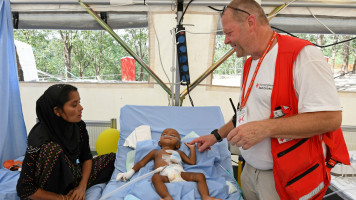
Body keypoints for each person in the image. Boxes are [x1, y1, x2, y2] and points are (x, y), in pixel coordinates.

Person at [189, 0, 350, 199]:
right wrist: (215, 136)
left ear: (250, 22)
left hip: (288, 180)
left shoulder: (303, 56)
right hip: (251, 173)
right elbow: (245, 112)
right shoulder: (250, 63)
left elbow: (330, 119)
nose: (226, 41)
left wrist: (264, 128)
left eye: (229, 33)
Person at [17, 84, 116, 200]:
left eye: (79, 102)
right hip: (48, 186)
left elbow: (86, 157)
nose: (81, 108)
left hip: (70, 175)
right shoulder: (38, 136)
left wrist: (81, 187)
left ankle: (72, 189)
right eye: (74, 105)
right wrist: (63, 198)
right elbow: (25, 188)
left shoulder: (78, 126)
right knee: (53, 150)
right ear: (57, 111)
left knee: (111, 159)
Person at [116, 128, 220, 200]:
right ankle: (167, 197)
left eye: (173, 135)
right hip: (165, 175)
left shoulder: (179, 152)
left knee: (200, 176)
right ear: (159, 143)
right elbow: (142, 162)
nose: (168, 136)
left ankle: (206, 196)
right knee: (155, 178)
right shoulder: (155, 152)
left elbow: (192, 162)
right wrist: (129, 173)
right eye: (164, 134)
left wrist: (192, 149)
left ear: (178, 144)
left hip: (180, 173)